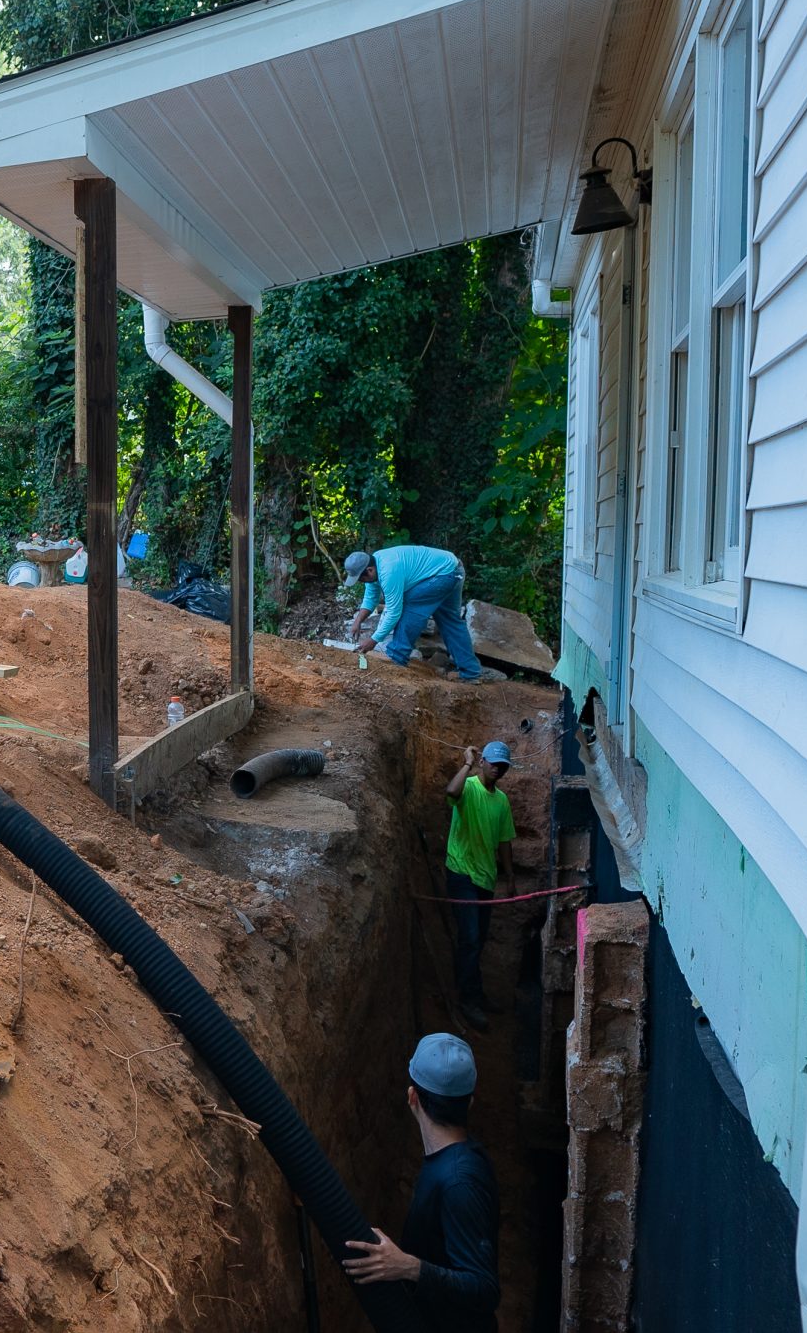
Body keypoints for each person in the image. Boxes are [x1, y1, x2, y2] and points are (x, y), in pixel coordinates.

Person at [340, 1034, 502, 1331]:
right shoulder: (456, 1162)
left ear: (412, 1097)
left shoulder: (458, 1183)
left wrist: (409, 1267)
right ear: (469, 1103)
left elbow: (484, 1289)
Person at [343, 546, 504, 683]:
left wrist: (373, 640)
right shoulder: (374, 567)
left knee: (410, 605)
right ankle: (470, 673)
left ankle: (397, 657)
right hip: (454, 570)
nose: (361, 582)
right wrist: (358, 622)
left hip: (444, 575)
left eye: (361, 579)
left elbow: (393, 611)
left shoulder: (389, 571)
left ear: (369, 571)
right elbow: (370, 598)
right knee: (451, 621)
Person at [443, 740, 517, 1030]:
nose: (498, 769)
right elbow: (451, 792)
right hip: (461, 873)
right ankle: (468, 1000)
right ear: (483, 761)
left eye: (503, 766)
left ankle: (475, 992)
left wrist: (509, 877)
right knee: (471, 938)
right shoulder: (469, 787)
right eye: (494, 763)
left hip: (486, 878)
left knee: (477, 940)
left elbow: (504, 841)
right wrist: (466, 764)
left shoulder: (502, 801)